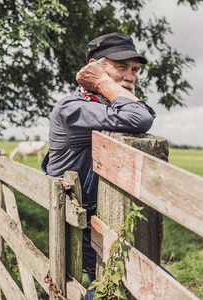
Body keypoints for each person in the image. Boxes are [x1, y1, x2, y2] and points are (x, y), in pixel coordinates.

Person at [41, 32, 156, 299]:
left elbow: (140, 114)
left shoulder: (106, 107)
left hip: (106, 220)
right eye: (121, 67)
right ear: (93, 66)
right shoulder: (74, 108)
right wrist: (104, 82)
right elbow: (140, 117)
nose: (130, 76)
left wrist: (109, 84)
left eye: (134, 70)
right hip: (82, 226)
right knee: (109, 288)